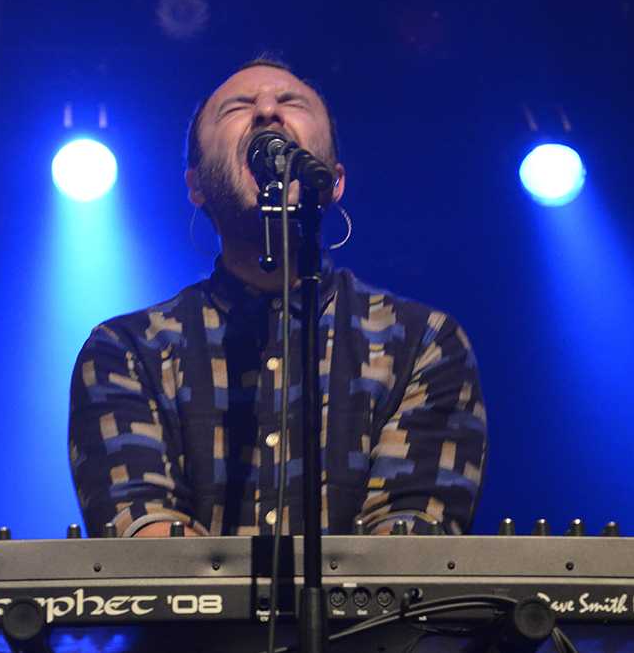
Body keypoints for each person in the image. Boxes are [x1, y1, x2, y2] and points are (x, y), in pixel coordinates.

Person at [69, 59, 487, 538]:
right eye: (238, 107)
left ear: (333, 179)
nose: (268, 110)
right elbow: (141, 536)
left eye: (291, 102)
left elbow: (411, 541)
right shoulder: (128, 350)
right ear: (196, 185)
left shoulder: (422, 341)